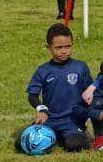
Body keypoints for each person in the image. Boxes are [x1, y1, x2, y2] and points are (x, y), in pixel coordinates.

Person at [21, 23, 94, 153]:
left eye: (68, 46)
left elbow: (90, 90)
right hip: (49, 120)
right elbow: (32, 95)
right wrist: (42, 110)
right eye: (58, 47)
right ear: (48, 47)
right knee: (23, 144)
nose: (64, 51)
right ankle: (57, 135)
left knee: (73, 146)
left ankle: (78, 134)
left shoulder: (80, 67)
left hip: (72, 120)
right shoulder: (43, 70)